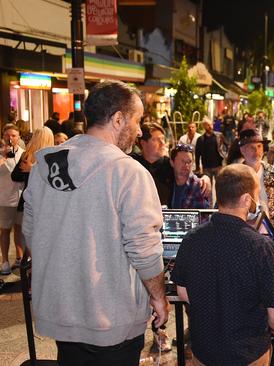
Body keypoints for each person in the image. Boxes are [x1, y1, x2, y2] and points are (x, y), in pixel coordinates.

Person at [23, 80, 169, 364]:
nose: (140, 131)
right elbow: (144, 248)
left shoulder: (45, 166)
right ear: (118, 119)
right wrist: (159, 298)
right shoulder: (128, 172)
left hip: (61, 313)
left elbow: (30, 232)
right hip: (111, 320)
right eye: (137, 121)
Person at [171, 164, 274, 365]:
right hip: (248, 354)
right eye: (255, 195)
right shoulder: (262, 248)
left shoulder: (191, 239)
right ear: (247, 199)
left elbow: (182, 292)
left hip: (204, 352)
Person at [131, 123, 211, 208]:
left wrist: (205, 177)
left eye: (163, 139)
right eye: (156, 140)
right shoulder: (132, 163)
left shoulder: (169, 164)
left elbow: (189, 174)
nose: (162, 143)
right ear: (143, 143)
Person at [239, 129, 274, 242]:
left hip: (272, 237)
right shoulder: (234, 176)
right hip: (243, 238)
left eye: (259, 146)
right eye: (252, 148)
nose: (257, 151)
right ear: (242, 150)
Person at [11, 127, 54, 266]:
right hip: (46, 203)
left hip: (28, 201)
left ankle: (27, 265)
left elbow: (15, 176)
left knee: (27, 235)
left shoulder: (28, 155)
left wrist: (29, 170)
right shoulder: (52, 157)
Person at [0, 124, 25, 274]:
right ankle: (4, 261)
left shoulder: (24, 153)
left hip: (21, 199)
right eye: (7, 135)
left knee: (20, 229)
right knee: (4, 230)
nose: (10, 138)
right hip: (4, 199)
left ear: (19, 137)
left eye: (13, 135)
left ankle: (19, 258)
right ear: (3, 137)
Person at [169, 143, 210, 209]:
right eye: (182, 161)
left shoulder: (198, 185)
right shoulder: (166, 182)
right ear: (172, 162)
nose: (186, 165)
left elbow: (203, 217)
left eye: (189, 162)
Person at [195, 118, 225, 186]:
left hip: (218, 166)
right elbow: (197, 154)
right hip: (206, 167)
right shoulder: (200, 139)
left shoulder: (218, 136)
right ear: (204, 126)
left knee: (220, 186)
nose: (210, 126)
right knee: (207, 188)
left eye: (211, 124)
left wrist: (224, 156)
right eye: (208, 125)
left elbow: (227, 145)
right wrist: (197, 167)